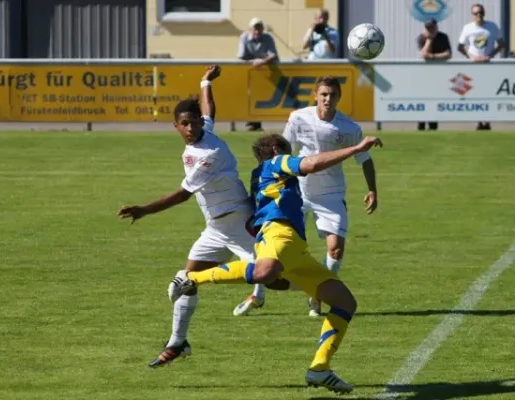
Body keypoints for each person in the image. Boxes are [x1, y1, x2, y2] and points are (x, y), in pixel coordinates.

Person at [167, 133, 383, 393]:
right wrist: (356, 148)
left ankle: (320, 368)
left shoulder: (259, 174)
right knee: (264, 271)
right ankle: (190, 277)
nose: (291, 154)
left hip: (296, 250)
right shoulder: (276, 162)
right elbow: (311, 164)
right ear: (274, 149)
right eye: (287, 149)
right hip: (279, 234)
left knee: (344, 301)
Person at [117, 65, 265, 366]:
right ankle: (178, 342)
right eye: (185, 124)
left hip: (237, 221)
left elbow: (183, 195)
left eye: (194, 123)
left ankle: (319, 292)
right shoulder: (203, 132)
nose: (191, 128)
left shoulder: (210, 154)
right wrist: (205, 82)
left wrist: (144, 210)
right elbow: (210, 108)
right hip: (214, 228)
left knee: (276, 277)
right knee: (187, 279)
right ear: (176, 126)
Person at [272, 76, 378, 317]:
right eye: (324, 95)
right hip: (299, 191)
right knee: (280, 247)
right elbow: (283, 150)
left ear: (339, 97)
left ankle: (317, 292)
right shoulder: (299, 117)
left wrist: (372, 189)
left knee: (336, 249)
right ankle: (258, 292)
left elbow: (365, 159)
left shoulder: (349, 128)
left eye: (332, 95)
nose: (328, 99)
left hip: (331, 194)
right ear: (316, 96)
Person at [457, 3, 505, 131]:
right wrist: (471, 57)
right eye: (476, 13)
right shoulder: (467, 28)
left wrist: (490, 56)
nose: (479, 15)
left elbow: (501, 44)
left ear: (484, 13)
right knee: (475, 93)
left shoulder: (492, 27)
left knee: (488, 92)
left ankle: (487, 121)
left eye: (481, 12)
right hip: (473, 66)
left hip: (488, 65)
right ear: (472, 15)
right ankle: (479, 121)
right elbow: (460, 46)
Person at [237, 17, 279, 131]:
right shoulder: (244, 38)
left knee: (261, 95)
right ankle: (252, 122)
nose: (257, 31)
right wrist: (254, 61)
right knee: (249, 95)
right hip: (249, 73)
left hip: (265, 73)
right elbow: (241, 56)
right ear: (250, 29)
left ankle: (256, 122)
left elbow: (273, 55)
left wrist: (262, 62)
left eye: (259, 28)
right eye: (255, 28)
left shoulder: (268, 38)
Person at [416, 18, 452, 131]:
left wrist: (433, 57)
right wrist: (429, 40)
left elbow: (448, 54)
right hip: (424, 75)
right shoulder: (421, 37)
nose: (430, 30)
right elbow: (423, 54)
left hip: (438, 74)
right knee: (422, 100)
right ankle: (421, 125)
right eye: (428, 28)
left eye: (432, 27)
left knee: (435, 100)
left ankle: (433, 125)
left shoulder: (443, 37)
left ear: (436, 27)